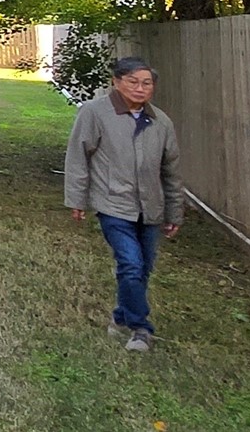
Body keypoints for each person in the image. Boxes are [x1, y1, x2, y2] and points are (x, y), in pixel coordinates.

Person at [64, 56, 182, 351]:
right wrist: (76, 199)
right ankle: (141, 329)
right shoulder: (95, 112)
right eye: (132, 82)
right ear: (116, 82)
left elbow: (171, 171)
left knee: (143, 269)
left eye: (147, 83)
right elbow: (79, 157)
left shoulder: (160, 121)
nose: (140, 89)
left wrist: (174, 211)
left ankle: (119, 318)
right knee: (130, 264)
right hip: (113, 203)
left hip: (150, 208)